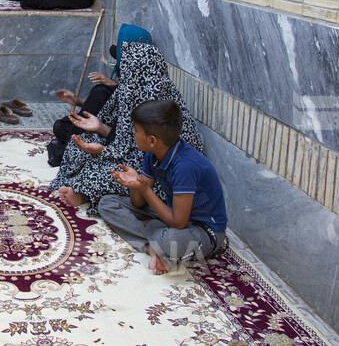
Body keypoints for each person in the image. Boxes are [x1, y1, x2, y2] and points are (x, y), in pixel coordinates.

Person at [50, 41, 204, 210]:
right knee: (80, 152)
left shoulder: (160, 106)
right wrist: (100, 128)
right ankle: (85, 191)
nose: (124, 76)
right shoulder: (138, 92)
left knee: (101, 174)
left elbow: (142, 157)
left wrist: (103, 150)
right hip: (143, 164)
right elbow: (128, 140)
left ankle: (84, 193)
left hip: (161, 179)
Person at [101, 99, 228, 275]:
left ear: (152, 140)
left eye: (136, 130)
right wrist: (136, 185)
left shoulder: (185, 165)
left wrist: (145, 190)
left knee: (170, 240)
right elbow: (137, 204)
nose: (133, 132)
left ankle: (161, 245)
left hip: (204, 231)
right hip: (171, 215)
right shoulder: (151, 154)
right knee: (108, 203)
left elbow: (178, 224)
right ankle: (154, 249)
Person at [48, 24, 155, 166]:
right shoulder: (127, 72)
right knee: (61, 126)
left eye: (119, 41)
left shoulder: (144, 85)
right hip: (104, 126)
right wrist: (78, 101)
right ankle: (75, 144)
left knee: (100, 91)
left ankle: (68, 152)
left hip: (119, 137)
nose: (115, 45)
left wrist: (112, 86)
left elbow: (125, 130)